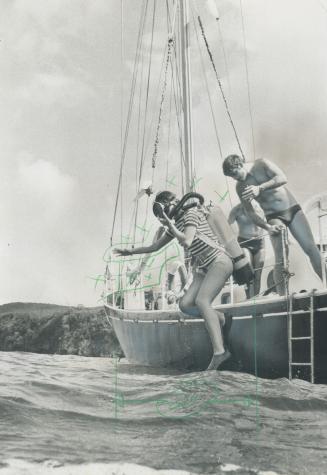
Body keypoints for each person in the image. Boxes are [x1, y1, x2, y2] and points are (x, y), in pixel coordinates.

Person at [115, 190, 233, 370]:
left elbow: (187, 241)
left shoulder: (191, 214)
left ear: (170, 205)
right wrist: (129, 252)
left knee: (202, 301)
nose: (161, 218)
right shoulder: (176, 224)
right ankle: (218, 318)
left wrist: (170, 223)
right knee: (185, 305)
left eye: (161, 212)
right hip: (203, 267)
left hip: (219, 261)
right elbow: (154, 247)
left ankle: (220, 352)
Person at [223, 154, 325, 295]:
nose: (234, 178)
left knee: (311, 249)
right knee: (281, 256)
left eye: (234, 174)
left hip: (292, 209)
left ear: (239, 165)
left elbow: (283, 178)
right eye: (231, 177)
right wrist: (268, 227)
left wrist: (260, 188)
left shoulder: (262, 164)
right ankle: (283, 297)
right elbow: (251, 212)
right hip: (273, 216)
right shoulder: (240, 187)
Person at [128, 226, 188, 309]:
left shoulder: (176, 260)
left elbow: (184, 281)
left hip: (177, 292)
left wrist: (176, 294)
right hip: (169, 290)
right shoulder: (171, 261)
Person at [228, 201, 265, 297]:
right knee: (249, 275)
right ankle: (250, 300)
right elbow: (227, 226)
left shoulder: (261, 206)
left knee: (258, 276)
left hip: (260, 243)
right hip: (244, 243)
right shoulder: (236, 210)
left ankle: (255, 301)